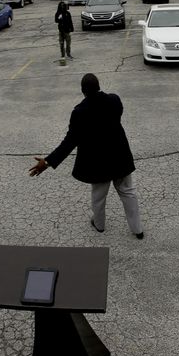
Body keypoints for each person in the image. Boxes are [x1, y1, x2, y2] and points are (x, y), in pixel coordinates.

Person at [29, 73, 144, 239]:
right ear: (99, 86)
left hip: (98, 164)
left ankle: (99, 225)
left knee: (98, 197)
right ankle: (137, 229)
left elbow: (69, 142)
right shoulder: (115, 100)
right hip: (120, 157)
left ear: (83, 91)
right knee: (128, 192)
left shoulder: (79, 112)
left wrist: (47, 162)